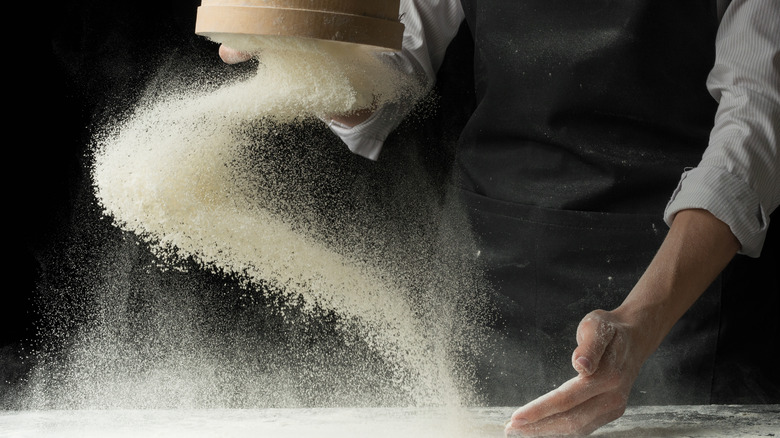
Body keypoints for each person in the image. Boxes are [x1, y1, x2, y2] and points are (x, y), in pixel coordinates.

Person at [220, 0, 779, 435]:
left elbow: (754, 133)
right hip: (489, 262)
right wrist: (314, 53)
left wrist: (640, 323)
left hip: (673, 276)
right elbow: (390, 72)